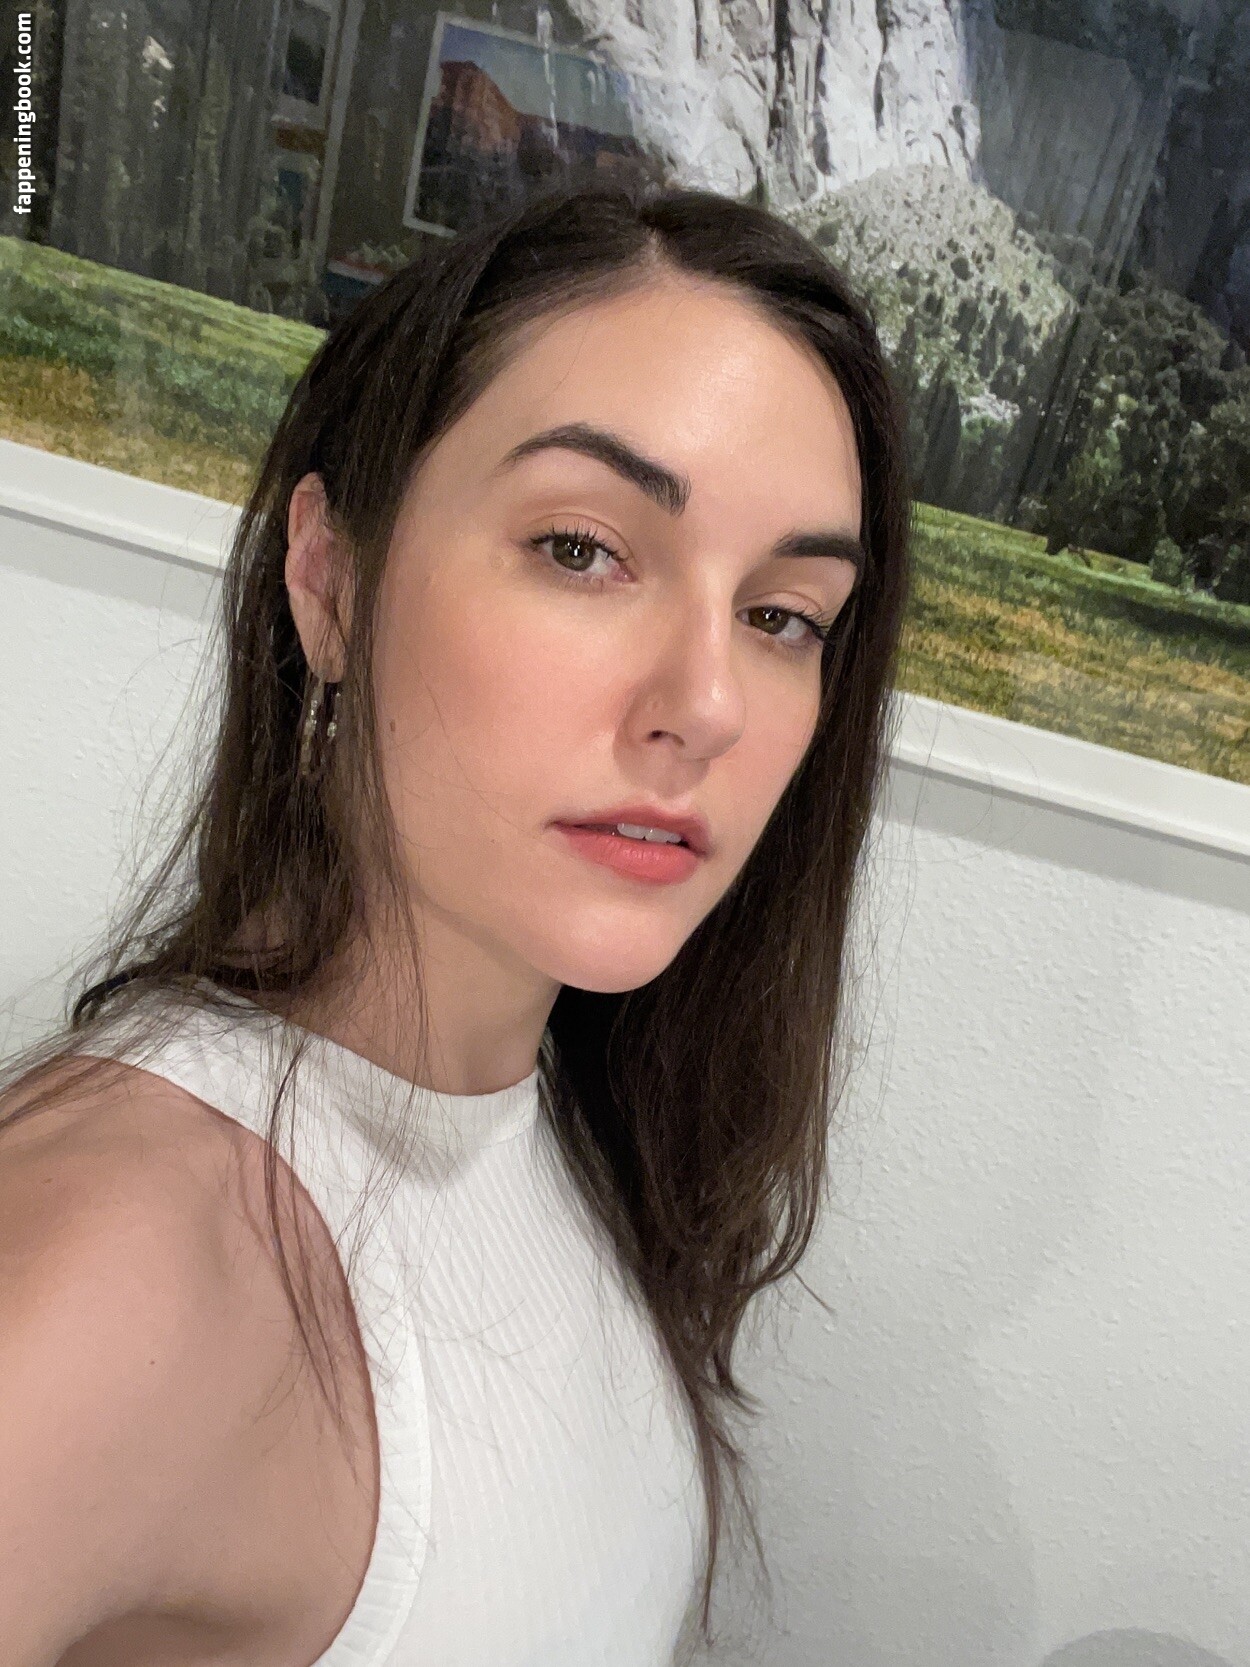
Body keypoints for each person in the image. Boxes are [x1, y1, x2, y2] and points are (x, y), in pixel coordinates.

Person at [0, 177, 912, 1667]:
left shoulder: (576, 1123)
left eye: (782, 615)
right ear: (329, 578)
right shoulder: (126, 1254)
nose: (705, 704)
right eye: (582, 548)